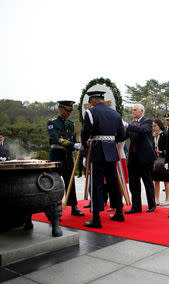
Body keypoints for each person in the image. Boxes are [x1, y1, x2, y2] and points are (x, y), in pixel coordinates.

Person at [81, 91, 126, 228]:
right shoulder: (115, 114)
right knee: (114, 183)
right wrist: (111, 141)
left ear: (94, 100)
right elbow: (122, 135)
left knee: (97, 184)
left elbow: (85, 132)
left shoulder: (90, 113)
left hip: (98, 150)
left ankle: (96, 218)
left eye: (91, 101)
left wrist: (85, 144)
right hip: (111, 151)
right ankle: (119, 213)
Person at [47, 100, 84, 217]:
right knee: (55, 183)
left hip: (67, 156)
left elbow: (73, 139)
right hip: (56, 155)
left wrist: (78, 145)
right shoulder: (52, 122)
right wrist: (73, 145)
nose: (68, 113)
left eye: (70, 111)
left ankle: (74, 206)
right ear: (60, 109)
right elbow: (55, 138)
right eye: (66, 110)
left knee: (70, 181)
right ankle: (53, 208)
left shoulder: (71, 124)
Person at [124, 104, 156, 214]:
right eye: (132, 110)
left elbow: (142, 130)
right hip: (133, 159)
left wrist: (127, 125)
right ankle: (136, 206)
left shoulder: (147, 121)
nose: (133, 112)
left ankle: (152, 204)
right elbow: (124, 136)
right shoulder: (132, 124)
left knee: (148, 182)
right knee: (133, 184)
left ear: (142, 111)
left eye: (135, 110)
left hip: (145, 158)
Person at [152, 119, 169, 206]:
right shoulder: (152, 136)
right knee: (156, 180)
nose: (154, 128)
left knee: (166, 181)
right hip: (155, 160)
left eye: (155, 126)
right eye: (152, 126)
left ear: (159, 126)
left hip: (164, 159)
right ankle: (157, 199)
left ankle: (167, 199)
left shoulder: (165, 134)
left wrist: (161, 152)